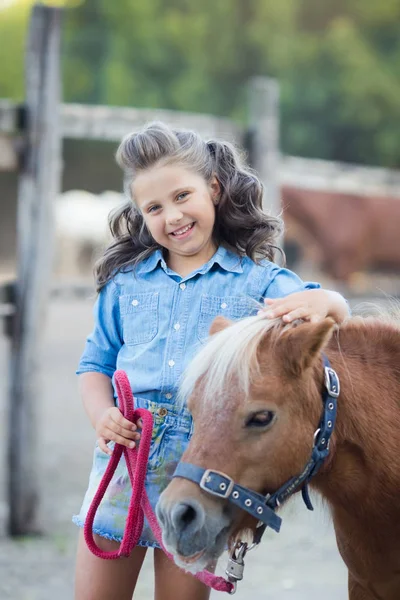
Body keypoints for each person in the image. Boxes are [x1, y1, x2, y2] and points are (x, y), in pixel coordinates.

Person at [73, 122, 349, 600]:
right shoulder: (125, 284)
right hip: (123, 461)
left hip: (203, 462)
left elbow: (322, 305)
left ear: (214, 189)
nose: (172, 216)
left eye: (183, 196)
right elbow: (94, 364)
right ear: (141, 215)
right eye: (154, 208)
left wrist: (330, 303)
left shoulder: (258, 282)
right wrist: (102, 416)